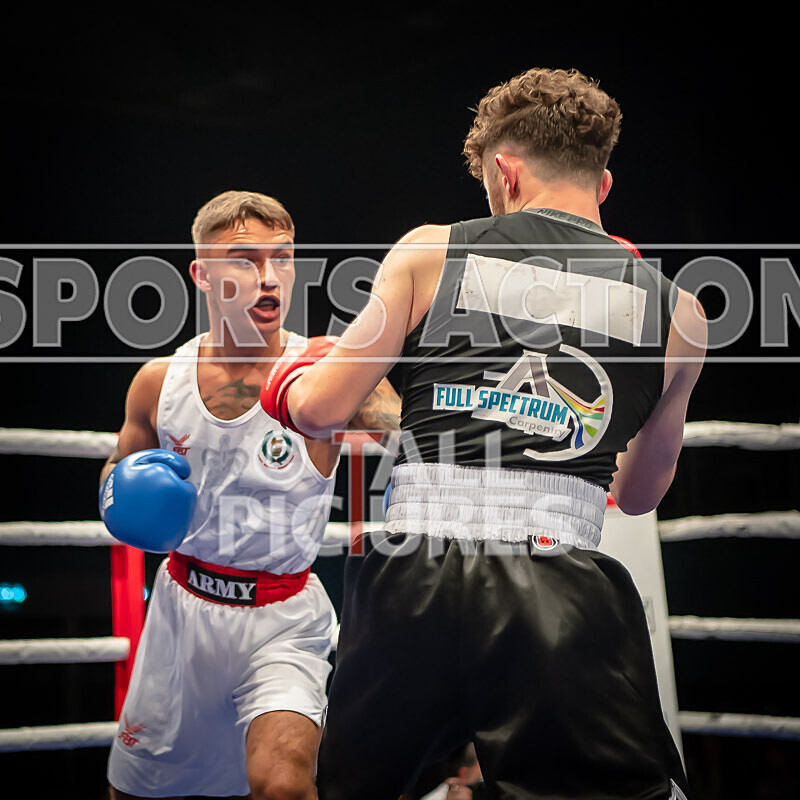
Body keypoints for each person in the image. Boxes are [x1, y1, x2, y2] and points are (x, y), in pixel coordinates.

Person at [262, 68, 704, 799]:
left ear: (505, 172)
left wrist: (293, 376)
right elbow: (641, 491)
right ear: (604, 184)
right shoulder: (682, 315)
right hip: (562, 585)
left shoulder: (430, 251)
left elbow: (316, 410)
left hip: (415, 574)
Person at [102, 190, 400, 800]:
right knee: (134, 794)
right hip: (182, 613)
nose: (268, 278)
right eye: (244, 259)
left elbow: (410, 429)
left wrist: (365, 381)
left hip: (283, 621)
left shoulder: (326, 372)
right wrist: (123, 494)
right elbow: (113, 477)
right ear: (203, 274)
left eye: (283, 258)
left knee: (283, 784)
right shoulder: (159, 383)